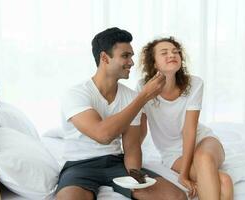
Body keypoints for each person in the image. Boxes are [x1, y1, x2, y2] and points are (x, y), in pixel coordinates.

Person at [56, 28, 186, 200]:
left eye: (131, 56)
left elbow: (132, 147)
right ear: (104, 58)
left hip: (116, 162)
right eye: (125, 56)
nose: (131, 62)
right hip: (80, 166)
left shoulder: (131, 97)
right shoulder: (77, 94)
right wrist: (144, 96)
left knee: (175, 197)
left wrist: (135, 175)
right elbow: (103, 135)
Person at [137, 37, 234, 200]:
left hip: (203, 141)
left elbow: (190, 130)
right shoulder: (143, 87)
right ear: (154, 63)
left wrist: (183, 175)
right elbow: (140, 128)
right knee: (224, 180)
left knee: (203, 157)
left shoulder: (194, 83)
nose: (172, 55)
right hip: (172, 154)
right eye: (164, 52)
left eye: (175, 52)